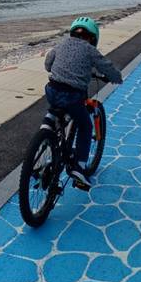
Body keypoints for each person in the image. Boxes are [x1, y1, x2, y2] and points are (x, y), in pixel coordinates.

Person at [44, 15, 123, 189]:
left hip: (51, 90)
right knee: (85, 126)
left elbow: (48, 64)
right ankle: (79, 167)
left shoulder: (61, 44)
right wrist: (117, 78)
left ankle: (45, 128)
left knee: (55, 109)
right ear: (93, 38)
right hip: (73, 96)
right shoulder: (90, 50)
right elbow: (107, 67)